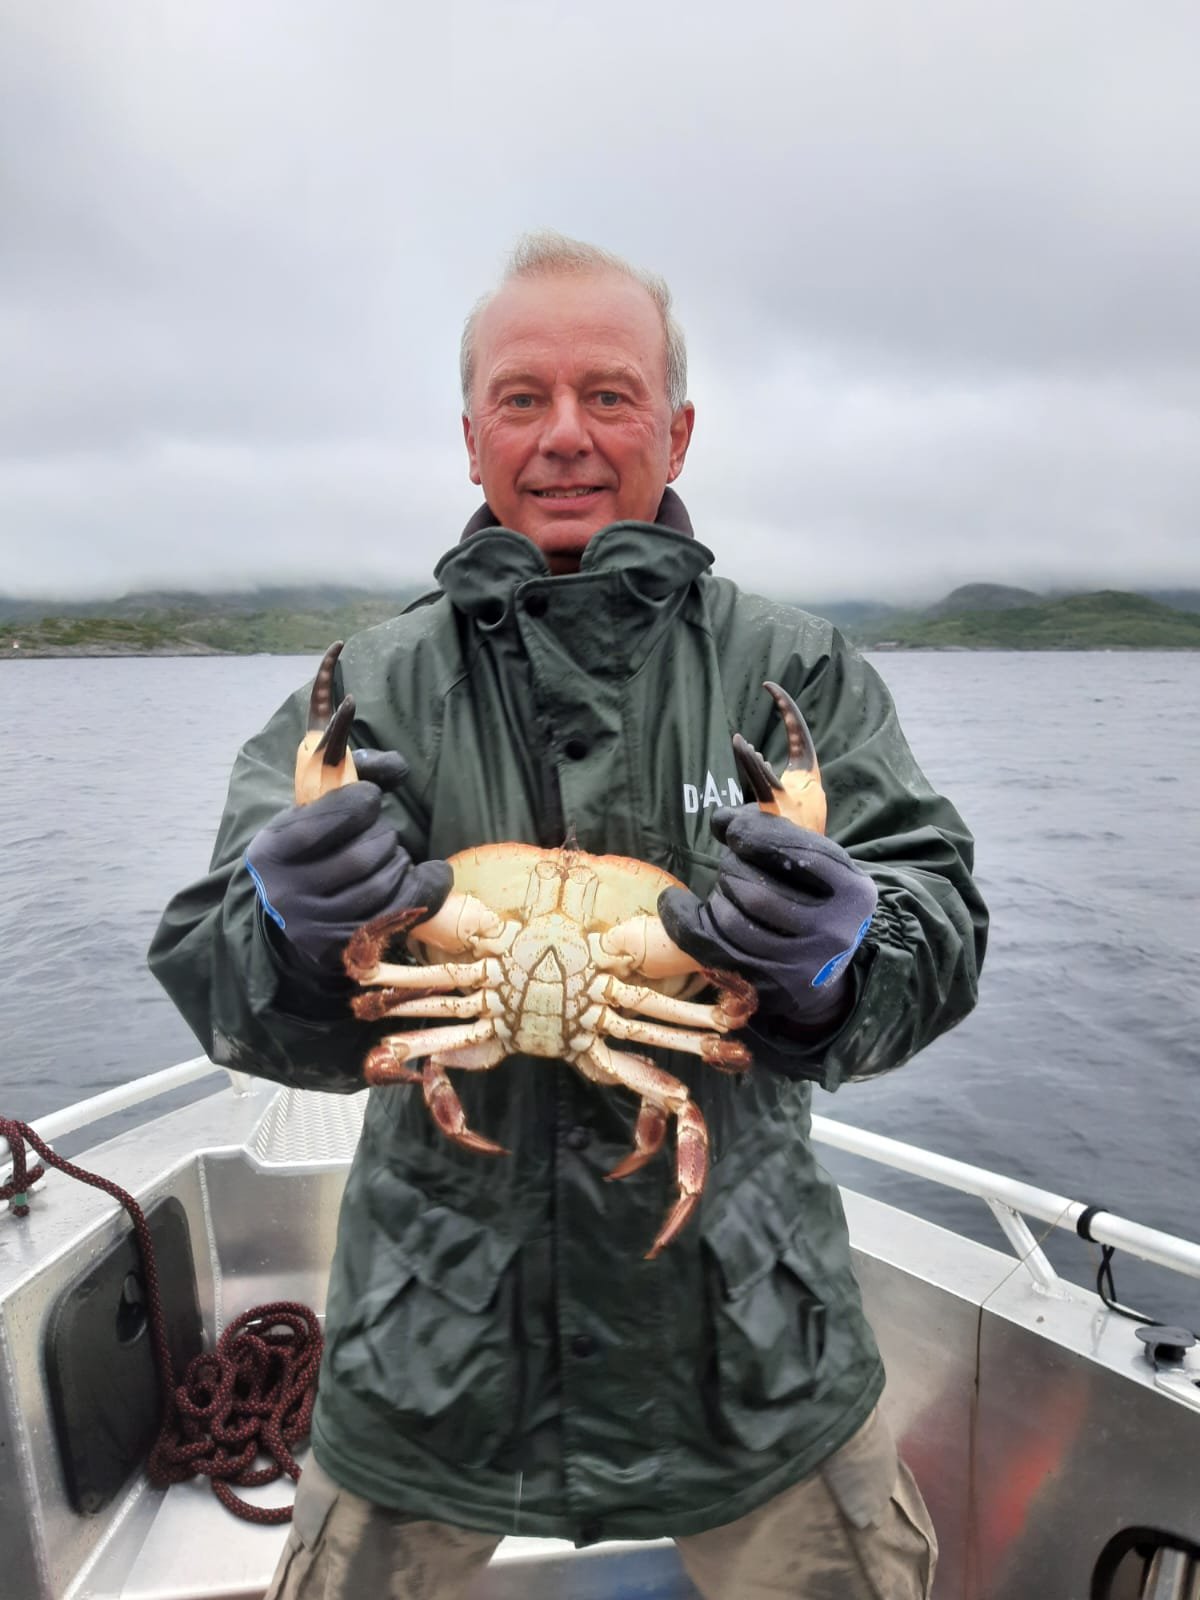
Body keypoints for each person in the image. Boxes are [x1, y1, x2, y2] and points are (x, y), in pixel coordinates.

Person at [149, 232, 988, 1600]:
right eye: (524, 398)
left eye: (610, 395)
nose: (566, 438)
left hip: (752, 1357)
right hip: (427, 1364)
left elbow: (933, 918)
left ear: (677, 426)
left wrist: (845, 962)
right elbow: (219, 973)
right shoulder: (371, 687)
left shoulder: (793, 670)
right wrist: (288, 930)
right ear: (470, 434)